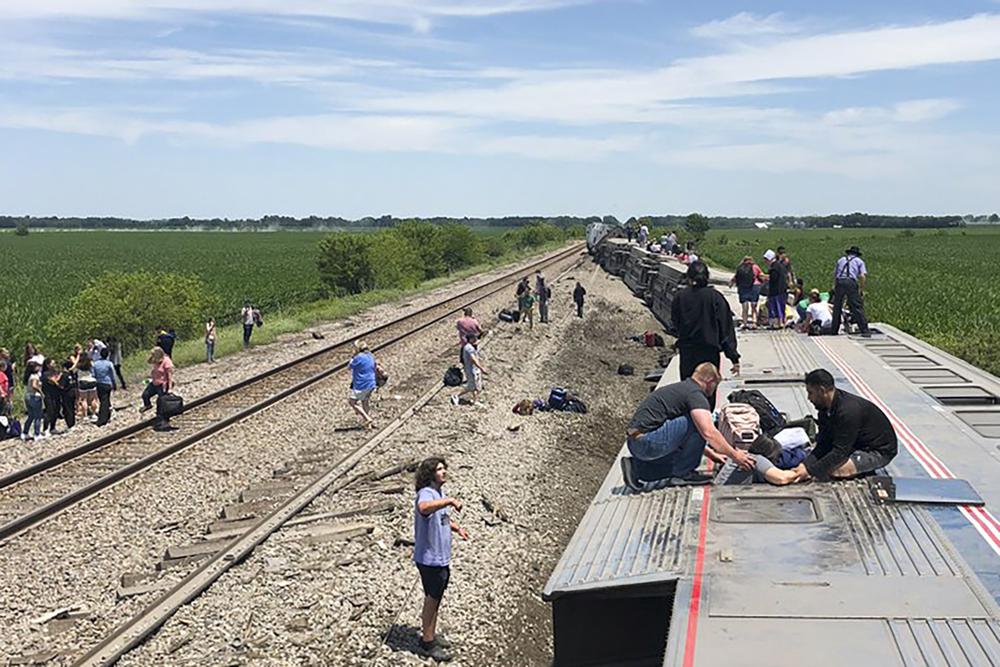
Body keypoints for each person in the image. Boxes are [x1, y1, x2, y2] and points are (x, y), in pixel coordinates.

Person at [622, 363, 755, 490]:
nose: (714, 390)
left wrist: (712, 454)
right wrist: (735, 455)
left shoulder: (682, 389)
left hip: (637, 443)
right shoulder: (695, 394)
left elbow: (684, 434)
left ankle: (637, 468)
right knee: (700, 422)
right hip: (648, 442)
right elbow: (708, 432)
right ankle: (684, 474)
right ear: (709, 380)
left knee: (679, 459)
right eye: (715, 385)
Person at [786, 369, 897, 482]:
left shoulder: (848, 412)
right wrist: (805, 465)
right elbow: (823, 444)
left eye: (811, 393)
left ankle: (861, 469)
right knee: (821, 464)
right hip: (855, 444)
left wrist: (810, 472)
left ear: (822, 390)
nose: (809, 398)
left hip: (878, 450)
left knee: (835, 471)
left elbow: (840, 452)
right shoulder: (824, 409)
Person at [413, 457, 468, 662]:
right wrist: (449, 501)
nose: (444, 472)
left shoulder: (438, 493)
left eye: (445, 468)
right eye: (439, 469)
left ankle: (431, 635)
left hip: (441, 557)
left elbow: (441, 517)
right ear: (430, 474)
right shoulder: (426, 493)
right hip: (429, 559)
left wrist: (457, 528)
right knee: (431, 598)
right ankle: (427, 643)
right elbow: (424, 508)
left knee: (436, 598)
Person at [670, 261, 740, 407]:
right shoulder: (715, 297)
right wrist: (733, 356)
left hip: (688, 351)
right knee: (708, 393)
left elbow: (675, 324)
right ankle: (706, 424)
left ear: (689, 277)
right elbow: (725, 329)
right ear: (707, 277)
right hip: (709, 352)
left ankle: (691, 424)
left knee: (689, 392)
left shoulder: (680, 297)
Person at [830, 245, 871, 337]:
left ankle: (834, 330)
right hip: (850, 282)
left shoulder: (841, 260)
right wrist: (862, 289)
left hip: (840, 281)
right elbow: (862, 276)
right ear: (857, 254)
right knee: (856, 306)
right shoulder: (859, 261)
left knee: (837, 307)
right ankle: (864, 330)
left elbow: (836, 274)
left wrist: (834, 286)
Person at [140, 346, 175, 431]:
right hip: (154, 383)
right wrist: (151, 356)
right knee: (145, 395)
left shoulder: (167, 362)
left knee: (161, 404)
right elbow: (148, 361)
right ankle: (148, 405)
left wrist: (169, 389)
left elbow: (170, 377)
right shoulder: (156, 361)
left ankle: (162, 422)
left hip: (163, 385)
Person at [451, 333, 487, 405]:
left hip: (474, 369)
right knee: (472, 386)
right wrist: (481, 368)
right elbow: (473, 359)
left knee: (476, 386)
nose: (475, 339)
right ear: (470, 339)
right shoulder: (469, 348)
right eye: (474, 338)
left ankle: (475, 400)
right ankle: (456, 395)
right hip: (471, 370)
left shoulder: (471, 346)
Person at [348, 340, 377, 428]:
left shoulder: (358, 358)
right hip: (371, 383)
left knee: (352, 402)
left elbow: (349, 366)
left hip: (362, 384)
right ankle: (368, 425)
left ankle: (367, 418)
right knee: (365, 401)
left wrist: (353, 357)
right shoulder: (371, 356)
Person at [730, 256, 763, 329]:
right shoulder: (755, 267)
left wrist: (731, 283)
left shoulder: (740, 267)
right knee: (754, 306)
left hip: (743, 287)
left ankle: (744, 323)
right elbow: (761, 275)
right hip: (755, 286)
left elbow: (735, 277)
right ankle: (754, 322)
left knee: (745, 306)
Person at [763, 249, 788, 328]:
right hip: (782, 290)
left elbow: (773, 278)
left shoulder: (774, 267)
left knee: (775, 308)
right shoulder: (781, 265)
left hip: (776, 291)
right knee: (781, 307)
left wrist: (765, 277)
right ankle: (781, 322)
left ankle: (776, 323)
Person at [93, 347, 117, 426]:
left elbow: (93, 375)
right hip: (107, 383)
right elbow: (113, 375)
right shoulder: (109, 363)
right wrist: (114, 384)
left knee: (103, 400)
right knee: (105, 400)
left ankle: (106, 416)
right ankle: (103, 418)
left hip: (99, 384)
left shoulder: (95, 364)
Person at [23, 361, 45, 441]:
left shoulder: (29, 376)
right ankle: (37, 434)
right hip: (35, 397)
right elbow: (34, 385)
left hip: (27, 396)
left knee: (31, 416)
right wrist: (41, 392)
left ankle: (25, 432)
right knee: (38, 416)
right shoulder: (35, 376)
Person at [41, 358, 63, 436]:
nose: (54, 365)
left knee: (56, 411)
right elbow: (53, 381)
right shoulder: (45, 374)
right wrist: (58, 378)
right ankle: (45, 429)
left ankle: (52, 427)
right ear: (48, 365)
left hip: (56, 394)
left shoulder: (55, 372)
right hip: (48, 395)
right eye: (52, 363)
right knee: (49, 411)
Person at [75, 354, 99, 422]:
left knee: (83, 400)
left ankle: (85, 416)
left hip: (82, 381)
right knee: (93, 399)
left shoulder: (78, 366)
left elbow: (73, 370)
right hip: (91, 380)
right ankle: (94, 414)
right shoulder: (90, 364)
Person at [58, 360, 78, 430]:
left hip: (66, 394)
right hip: (73, 393)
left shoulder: (64, 375)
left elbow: (61, 386)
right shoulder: (73, 374)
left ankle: (70, 424)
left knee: (67, 409)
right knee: (72, 408)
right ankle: (73, 423)